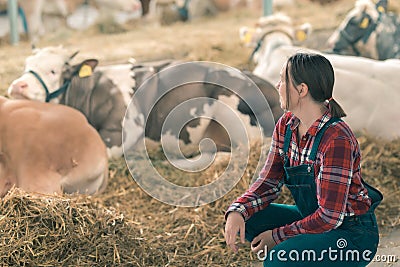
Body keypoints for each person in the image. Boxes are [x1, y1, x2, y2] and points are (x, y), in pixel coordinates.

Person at [224, 52, 383, 266]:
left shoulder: (336, 139)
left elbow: (329, 217)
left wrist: (277, 236)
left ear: (301, 90)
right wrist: (238, 210)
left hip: (351, 234)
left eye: (282, 80)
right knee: (247, 219)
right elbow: (269, 181)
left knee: (278, 259)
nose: (277, 85)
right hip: (311, 217)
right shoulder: (286, 125)